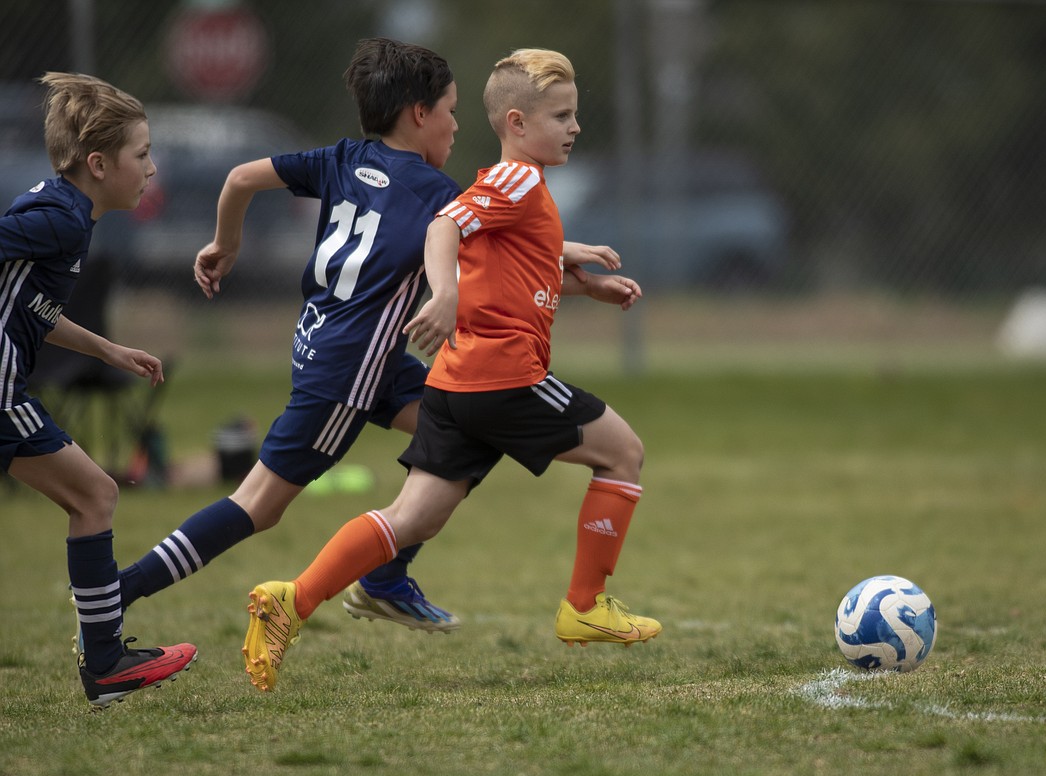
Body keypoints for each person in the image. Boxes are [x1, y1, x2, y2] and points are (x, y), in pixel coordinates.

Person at [115, 39, 620, 634]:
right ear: (419, 114)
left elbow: (239, 178)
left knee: (468, 437)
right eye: (452, 111)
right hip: (349, 372)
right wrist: (569, 267)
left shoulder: (342, 158)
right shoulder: (434, 194)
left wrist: (226, 243)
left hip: (338, 347)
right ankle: (119, 591)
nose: (458, 126)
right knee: (257, 505)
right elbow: (482, 251)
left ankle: (384, 580)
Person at [241, 48, 660, 693]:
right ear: (516, 123)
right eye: (563, 115)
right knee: (623, 452)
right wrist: (441, 296)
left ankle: (288, 601)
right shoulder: (517, 179)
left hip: (456, 385)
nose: (576, 127)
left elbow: (508, 271)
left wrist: (585, 287)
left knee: (412, 519)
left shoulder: (516, 188)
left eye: (576, 114)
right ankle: (585, 607)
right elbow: (443, 226)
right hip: (505, 378)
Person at [1, 72, 197, 708]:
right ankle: (106, 661)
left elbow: (30, 305)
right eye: (141, 155)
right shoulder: (58, 217)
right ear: (97, 162)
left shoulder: (66, 213)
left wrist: (107, 349)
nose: (150, 168)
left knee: (94, 494)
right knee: (95, 493)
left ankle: (106, 660)